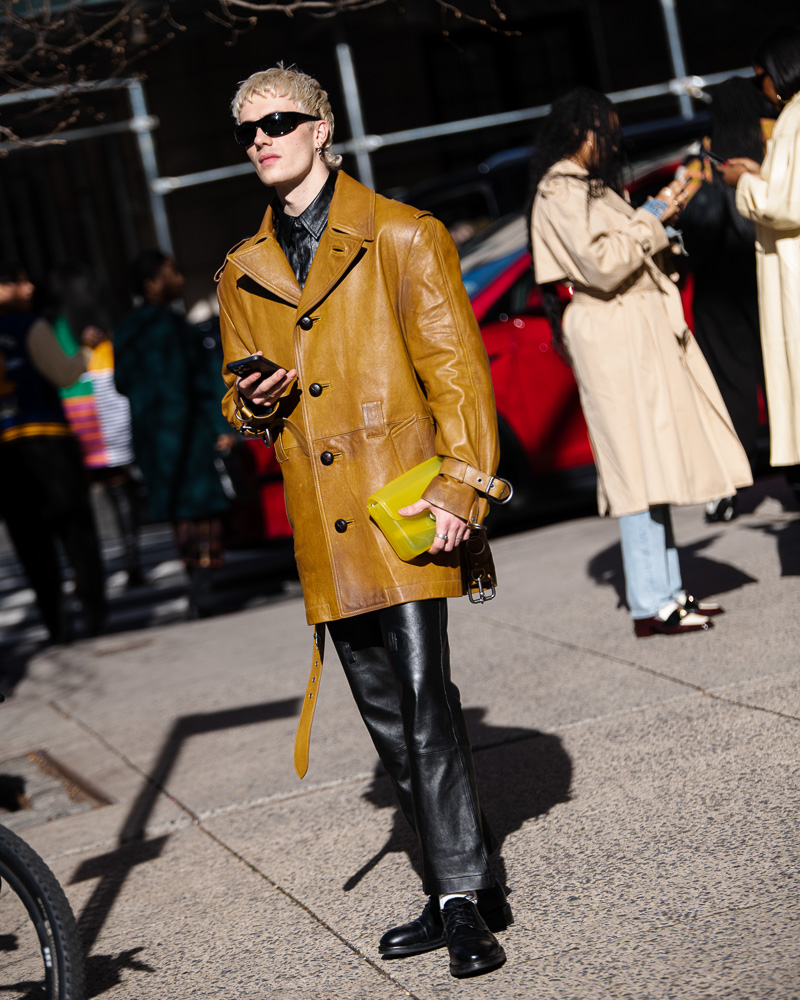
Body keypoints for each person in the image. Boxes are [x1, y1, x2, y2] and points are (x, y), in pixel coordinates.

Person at [217, 65, 510, 978]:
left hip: (406, 504)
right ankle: (468, 875)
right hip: (326, 525)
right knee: (389, 721)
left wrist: (463, 488)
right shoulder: (242, 270)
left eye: (276, 121)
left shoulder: (400, 235)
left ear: (321, 130)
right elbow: (239, 405)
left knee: (424, 706)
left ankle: (459, 896)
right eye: (245, 129)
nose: (260, 137)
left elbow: (457, 369)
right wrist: (255, 402)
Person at [528, 87, 752, 637]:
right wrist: (654, 219)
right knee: (635, 467)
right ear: (581, 130)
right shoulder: (561, 189)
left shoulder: (584, 187)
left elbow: (621, 249)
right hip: (613, 332)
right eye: (605, 129)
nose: (612, 140)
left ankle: (668, 593)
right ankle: (652, 603)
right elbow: (601, 263)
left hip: (632, 330)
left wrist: (660, 218)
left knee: (652, 464)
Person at [114, 251, 238, 616]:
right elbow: (203, 380)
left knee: (179, 513)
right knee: (203, 510)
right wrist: (221, 425)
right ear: (152, 281)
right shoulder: (176, 327)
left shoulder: (125, 331)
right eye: (171, 273)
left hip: (153, 436)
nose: (180, 279)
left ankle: (196, 583)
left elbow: (122, 382)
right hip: (190, 431)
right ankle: (204, 587)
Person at [676, 78, 773, 522]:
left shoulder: (705, 156)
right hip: (765, 278)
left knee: (729, 390)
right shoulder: (771, 145)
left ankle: (731, 485)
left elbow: (688, 224)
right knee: (782, 380)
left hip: (716, 290)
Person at [0, 261, 107, 641]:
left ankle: (54, 623)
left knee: (32, 543)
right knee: (76, 530)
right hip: (47, 440)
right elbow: (63, 374)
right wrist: (86, 350)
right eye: (17, 281)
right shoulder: (31, 326)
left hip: (6, 454)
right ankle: (94, 613)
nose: (28, 288)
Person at [718, 25, 800, 501]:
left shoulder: (794, 116)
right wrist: (759, 172)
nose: (762, 89)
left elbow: (788, 206)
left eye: (761, 77)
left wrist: (742, 183)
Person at [48, 263, 144, 586]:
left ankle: (90, 569)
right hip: (105, 414)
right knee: (118, 488)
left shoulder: (60, 327)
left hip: (81, 417)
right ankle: (129, 561)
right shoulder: (105, 325)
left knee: (87, 495)